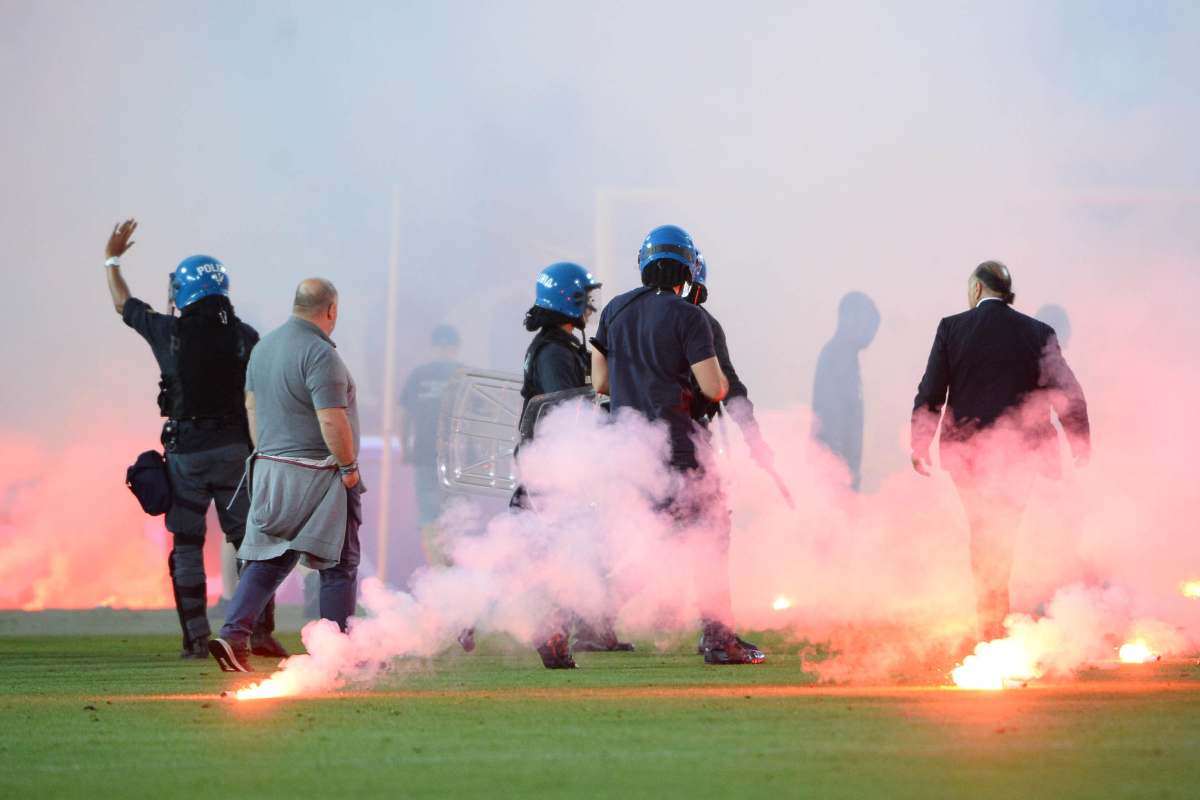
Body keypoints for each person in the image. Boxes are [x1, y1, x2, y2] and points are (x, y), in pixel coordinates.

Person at [103, 219, 285, 660]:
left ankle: (197, 641)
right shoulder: (246, 337)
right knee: (252, 545)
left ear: (183, 292)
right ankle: (255, 633)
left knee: (186, 546)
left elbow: (123, 305)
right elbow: (258, 399)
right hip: (236, 455)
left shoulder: (170, 333)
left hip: (186, 455)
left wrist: (112, 260)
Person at [591, 225, 764, 665]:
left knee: (644, 539)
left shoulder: (613, 309)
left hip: (628, 448)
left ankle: (588, 619)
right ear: (688, 267)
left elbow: (601, 382)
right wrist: (721, 386)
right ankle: (718, 638)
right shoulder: (691, 317)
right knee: (708, 536)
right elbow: (714, 385)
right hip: (678, 446)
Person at [911, 261, 1090, 642]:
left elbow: (931, 391)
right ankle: (997, 622)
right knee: (1003, 534)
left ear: (976, 289)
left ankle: (990, 624)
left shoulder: (952, 328)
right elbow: (1067, 391)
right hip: (1021, 453)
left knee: (982, 533)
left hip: (967, 454)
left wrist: (919, 443)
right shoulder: (1037, 332)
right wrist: (1079, 439)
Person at [209, 278, 363, 672]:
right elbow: (331, 418)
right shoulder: (319, 354)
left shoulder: (263, 348)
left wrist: (270, 455)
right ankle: (337, 655)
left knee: (269, 560)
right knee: (338, 565)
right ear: (331, 310)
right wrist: (347, 468)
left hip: (270, 469)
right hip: (318, 475)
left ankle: (233, 636)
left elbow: (252, 407)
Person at [513, 261, 632, 667]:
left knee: (566, 550)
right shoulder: (553, 352)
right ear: (571, 299)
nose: (591, 306)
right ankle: (464, 613)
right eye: (586, 297)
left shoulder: (560, 346)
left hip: (554, 467)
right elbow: (566, 411)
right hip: (552, 468)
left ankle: (572, 630)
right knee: (557, 552)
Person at [685, 252, 774, 469]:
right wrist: (753, 436)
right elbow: (727, 382)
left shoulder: (636, 317)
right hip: (689, 441)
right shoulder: (704, 325)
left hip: (643, 448)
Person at [399, 325, 462, 566]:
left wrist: (405, 447)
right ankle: (449, 572)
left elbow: (403, 416)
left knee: (432, 516)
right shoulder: (464, 373)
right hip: (456, 458)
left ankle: (440, 572)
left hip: (429, 454)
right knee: (453, 515)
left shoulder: (419, 375)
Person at [811, 292, 881, 491]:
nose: (871, 335)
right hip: (834, 470)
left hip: (839, 467)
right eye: (869, 326)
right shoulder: (836, 356)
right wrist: (841, 470)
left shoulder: (846, 357)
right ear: (849, 319)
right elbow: (830, 416)